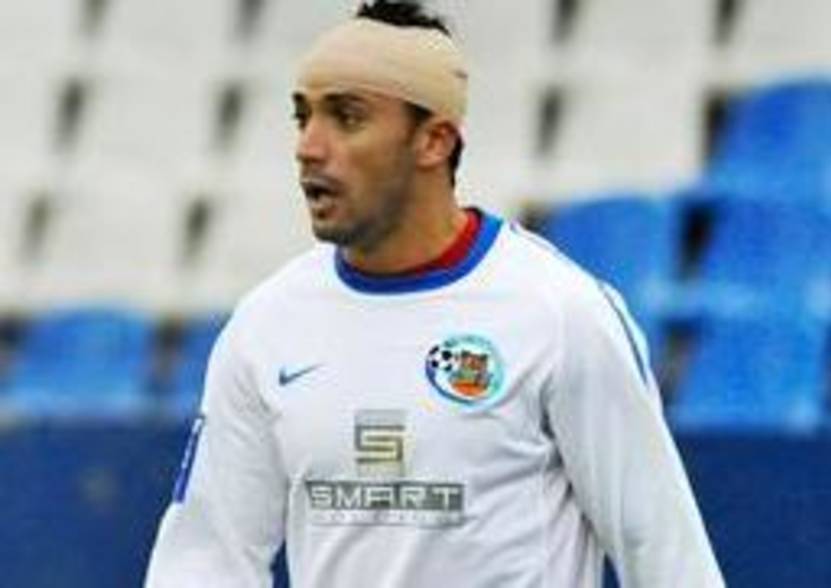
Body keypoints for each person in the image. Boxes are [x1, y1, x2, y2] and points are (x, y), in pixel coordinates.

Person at [145, 1, 724, 586]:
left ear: (434, 141)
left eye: (347, 117)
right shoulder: (266, 325)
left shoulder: (560, 313)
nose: (309, 147)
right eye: (303, 117)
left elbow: (666, 555)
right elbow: (205, 560)